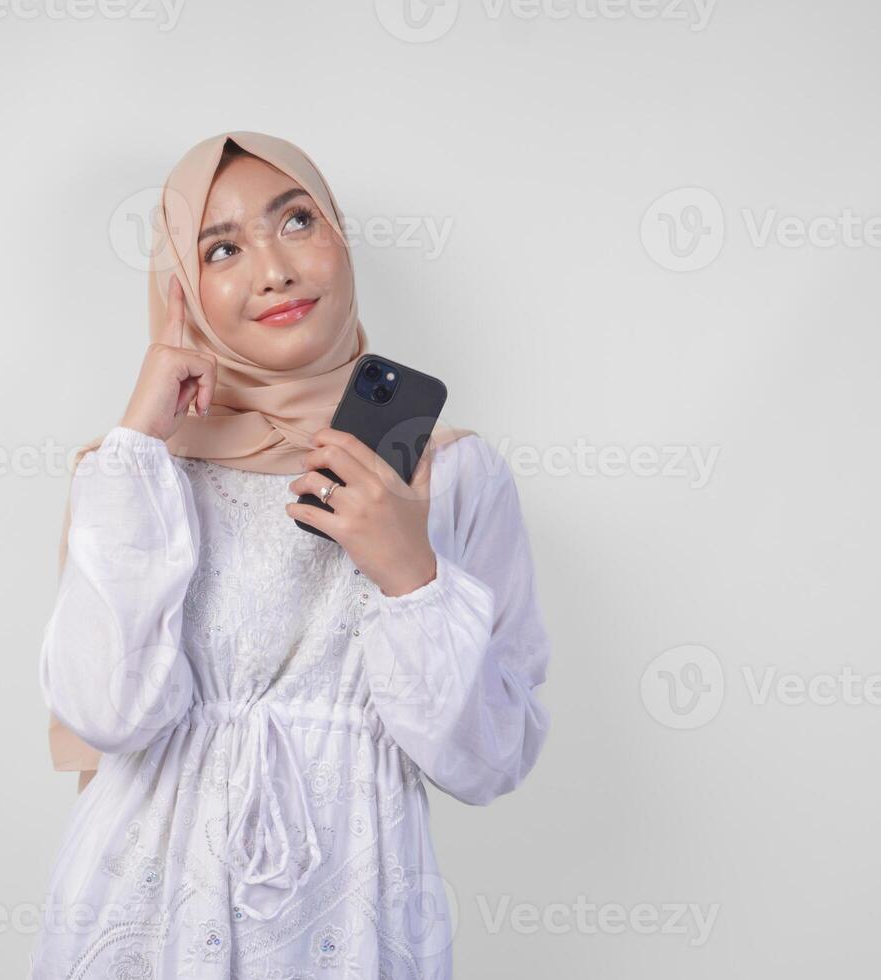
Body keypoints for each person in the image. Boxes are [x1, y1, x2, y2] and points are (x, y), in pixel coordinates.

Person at [31, 131, 551, 979]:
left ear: (342, 238)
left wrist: (407, 574)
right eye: (222, 247)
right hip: (143, 910)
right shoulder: (136, 472)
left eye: (297, 220)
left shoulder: (454, 476)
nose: (272, 269)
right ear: (181, 291)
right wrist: (137, 440)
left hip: (352, 909)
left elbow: (491, 758)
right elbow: (107, 715)